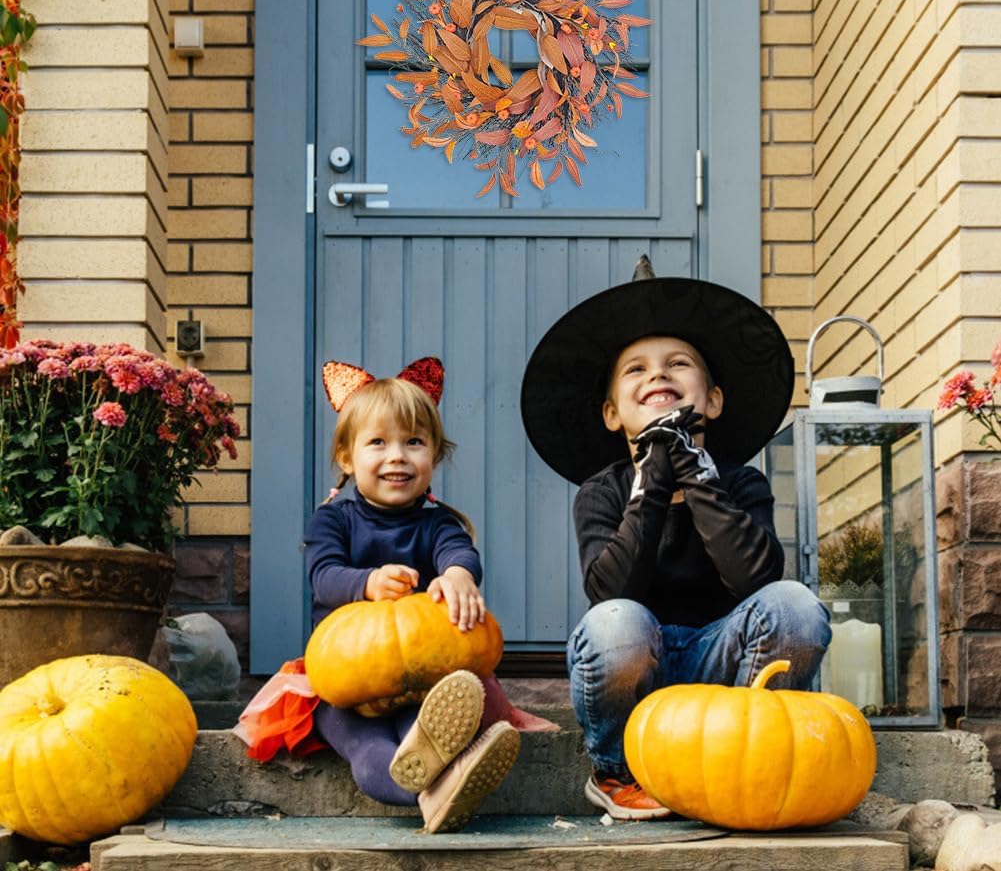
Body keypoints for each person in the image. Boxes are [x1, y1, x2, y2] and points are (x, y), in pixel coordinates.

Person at [520, 264, 831, 821]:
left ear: (711, 400)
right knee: (617, 622)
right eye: (636, 369)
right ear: (614, 413)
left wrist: (696, 472)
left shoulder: (741, 483)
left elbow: (756, 581)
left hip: (723, 665)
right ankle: (616, 770)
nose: (657, 375)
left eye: (677, 364)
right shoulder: (602, 492)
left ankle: (749, 762)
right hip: (638, 663)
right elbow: (611, 590)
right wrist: (654, 479)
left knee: (796, 607)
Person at [302, 356, 520, 833]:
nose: (397, 455)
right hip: (345, 684)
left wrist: (459, 575)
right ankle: (439, 789)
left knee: (417, 734)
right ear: (347, 458)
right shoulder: (333, 520)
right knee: (367, 748)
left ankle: (443, 778)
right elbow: (323, 575)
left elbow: (458, 552)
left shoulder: (437, 522)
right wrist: (366, 583)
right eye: (378, 442)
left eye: (414, 442)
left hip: (425, 679)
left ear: (434, 456)